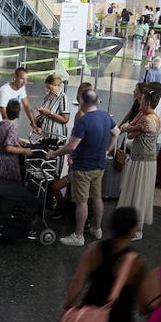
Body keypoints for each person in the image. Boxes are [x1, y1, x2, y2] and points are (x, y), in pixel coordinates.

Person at [46, 90, 119, 246]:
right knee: (97, 198)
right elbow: (116, 132)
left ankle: (78, 236)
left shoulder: (84, 122)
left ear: (82, 103)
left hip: (83, 167)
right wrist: (107, 150)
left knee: (81, 202)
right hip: (99, 165)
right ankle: (97, 229)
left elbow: (71, 146)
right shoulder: (105, 116)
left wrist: (54, 154)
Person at [116, 90, 161, 240]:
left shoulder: (148, 120)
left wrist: (124, 127)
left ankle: (137, 230)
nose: (139, 102)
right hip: (139, 160)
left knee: (139, 193)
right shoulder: (146, 115)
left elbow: (129, 131)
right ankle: (131, 225)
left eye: (142, 101)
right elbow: (130, 131)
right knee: (135, 191)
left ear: (148, 103)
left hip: (143, 163)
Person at [0, 67, 38, 136]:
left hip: (5, 127)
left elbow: (26, 105)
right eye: (22, 79)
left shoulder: (21, 88)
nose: (25, 82)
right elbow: (4, 115)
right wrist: (12, 133)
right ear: (14, 78)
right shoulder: (4, 91)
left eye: (26, 79)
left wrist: (34, 124)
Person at [0, 100, 31, 184]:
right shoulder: (12, 128)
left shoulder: (1, 124)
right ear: (18, 114)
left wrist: (16, 139)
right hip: (4, 164)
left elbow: (2, 137)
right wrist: (25, 151)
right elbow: (8, 148)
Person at [36, 75, 70, 142]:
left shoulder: (62, 97)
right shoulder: (47, 97)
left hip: (56, 137)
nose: (48, 91)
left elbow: (65, 119)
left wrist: (50, 113)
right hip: (46, 135)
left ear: (56, 86)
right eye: (47, 88)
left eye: (49, 88)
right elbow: (45, 114)